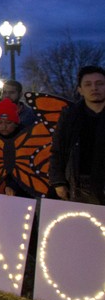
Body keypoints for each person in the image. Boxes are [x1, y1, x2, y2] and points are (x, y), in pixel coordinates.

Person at [49, 65, 105, 204]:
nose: (94, 88)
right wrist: (58, 181)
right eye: (88, 84)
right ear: (80, 89)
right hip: (79, 184)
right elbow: (57, 149)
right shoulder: (70, 116)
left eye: (100, 84)